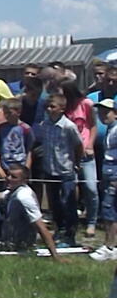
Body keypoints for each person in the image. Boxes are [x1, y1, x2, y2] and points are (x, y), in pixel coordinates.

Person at [39, 93, 84, 246]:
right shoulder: (44, 124)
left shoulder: (68, 126)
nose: (49, 109)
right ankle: (60, 229)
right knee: (54, 203)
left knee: (68, 202)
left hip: (65, 169)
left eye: (53, 107)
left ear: (62, 109)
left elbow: (78, 145)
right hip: (49, 169)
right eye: (48, 106)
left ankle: (70, 234)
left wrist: (76, 163)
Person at [61, 79, 99, 237]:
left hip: (85, 152)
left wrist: (90, 145)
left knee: (91, 188)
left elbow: (93, 126)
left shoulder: (86, 104)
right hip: (69, 153)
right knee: (70, 190)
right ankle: (71, 222)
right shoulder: (64, 107)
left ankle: (92, 221)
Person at [91, 99, 117, 261]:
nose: (102, 116)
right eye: (100, 112)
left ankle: (109, 246)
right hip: (107, 172)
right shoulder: (110, 130)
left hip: (114, 173)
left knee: (109, 210)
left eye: (106, 112)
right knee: (110, 209)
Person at [0, 98, 35, 181]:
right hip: (5, 166)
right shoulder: (1, 128)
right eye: (5, 113)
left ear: (18, 112)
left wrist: (27, 168)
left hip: (20, 166)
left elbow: (30, 150)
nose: (7, 115)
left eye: (9, 113)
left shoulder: (26, 128)